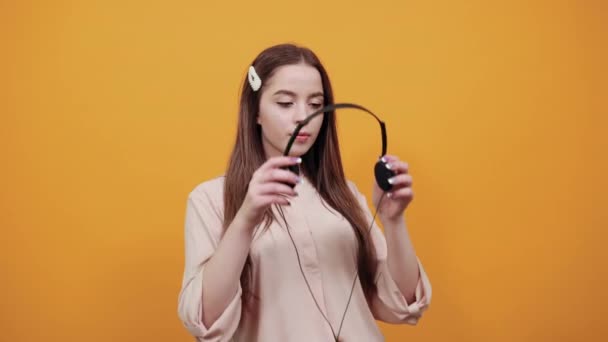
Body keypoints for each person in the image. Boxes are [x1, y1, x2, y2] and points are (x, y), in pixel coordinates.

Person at [177, 43, 432, 342]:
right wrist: (246, 218)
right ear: (255, 112)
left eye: (315, 104)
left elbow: (402, 303)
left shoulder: (343, 195)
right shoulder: (209, 199)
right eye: (285, 103)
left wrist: (394, 221)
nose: (304, 116)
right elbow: (205, 321)